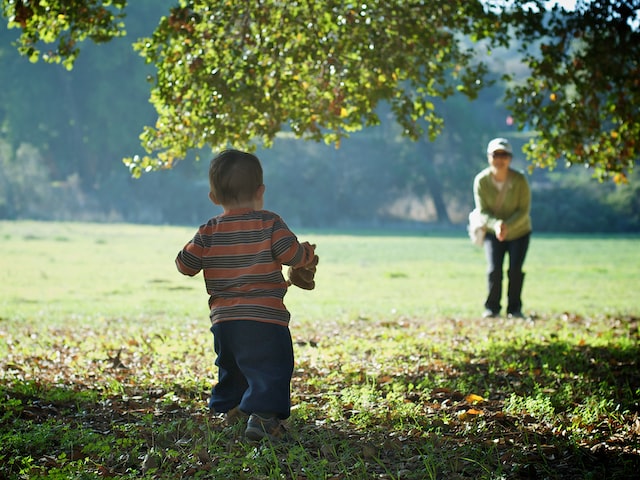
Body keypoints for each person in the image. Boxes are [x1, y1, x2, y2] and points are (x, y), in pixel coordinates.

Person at [175, 149, 318, 442]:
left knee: (233, 366)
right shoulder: (270, 223)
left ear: (213, 197)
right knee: (271, 367)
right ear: (260, 191)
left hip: (225, 321)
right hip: (265, 318)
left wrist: (198, 245)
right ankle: (264, 418)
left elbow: (185, 265)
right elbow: (290, 254)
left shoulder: (208, 230)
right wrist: (306, 254)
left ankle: (233, 408)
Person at [472, 138, 532, 319]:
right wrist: (496, 225)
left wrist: (507, 226)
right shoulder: (481, 181)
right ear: (489, 157)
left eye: (504, 155)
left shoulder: (520, 180)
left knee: (515, 270)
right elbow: (483, 211)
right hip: (492, 232)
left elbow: (524, 211)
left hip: (519, 232)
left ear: (510, 158)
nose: (500, 159)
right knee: (494, 269)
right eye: (496, 155)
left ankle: (514, 309)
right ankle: (492, 308)